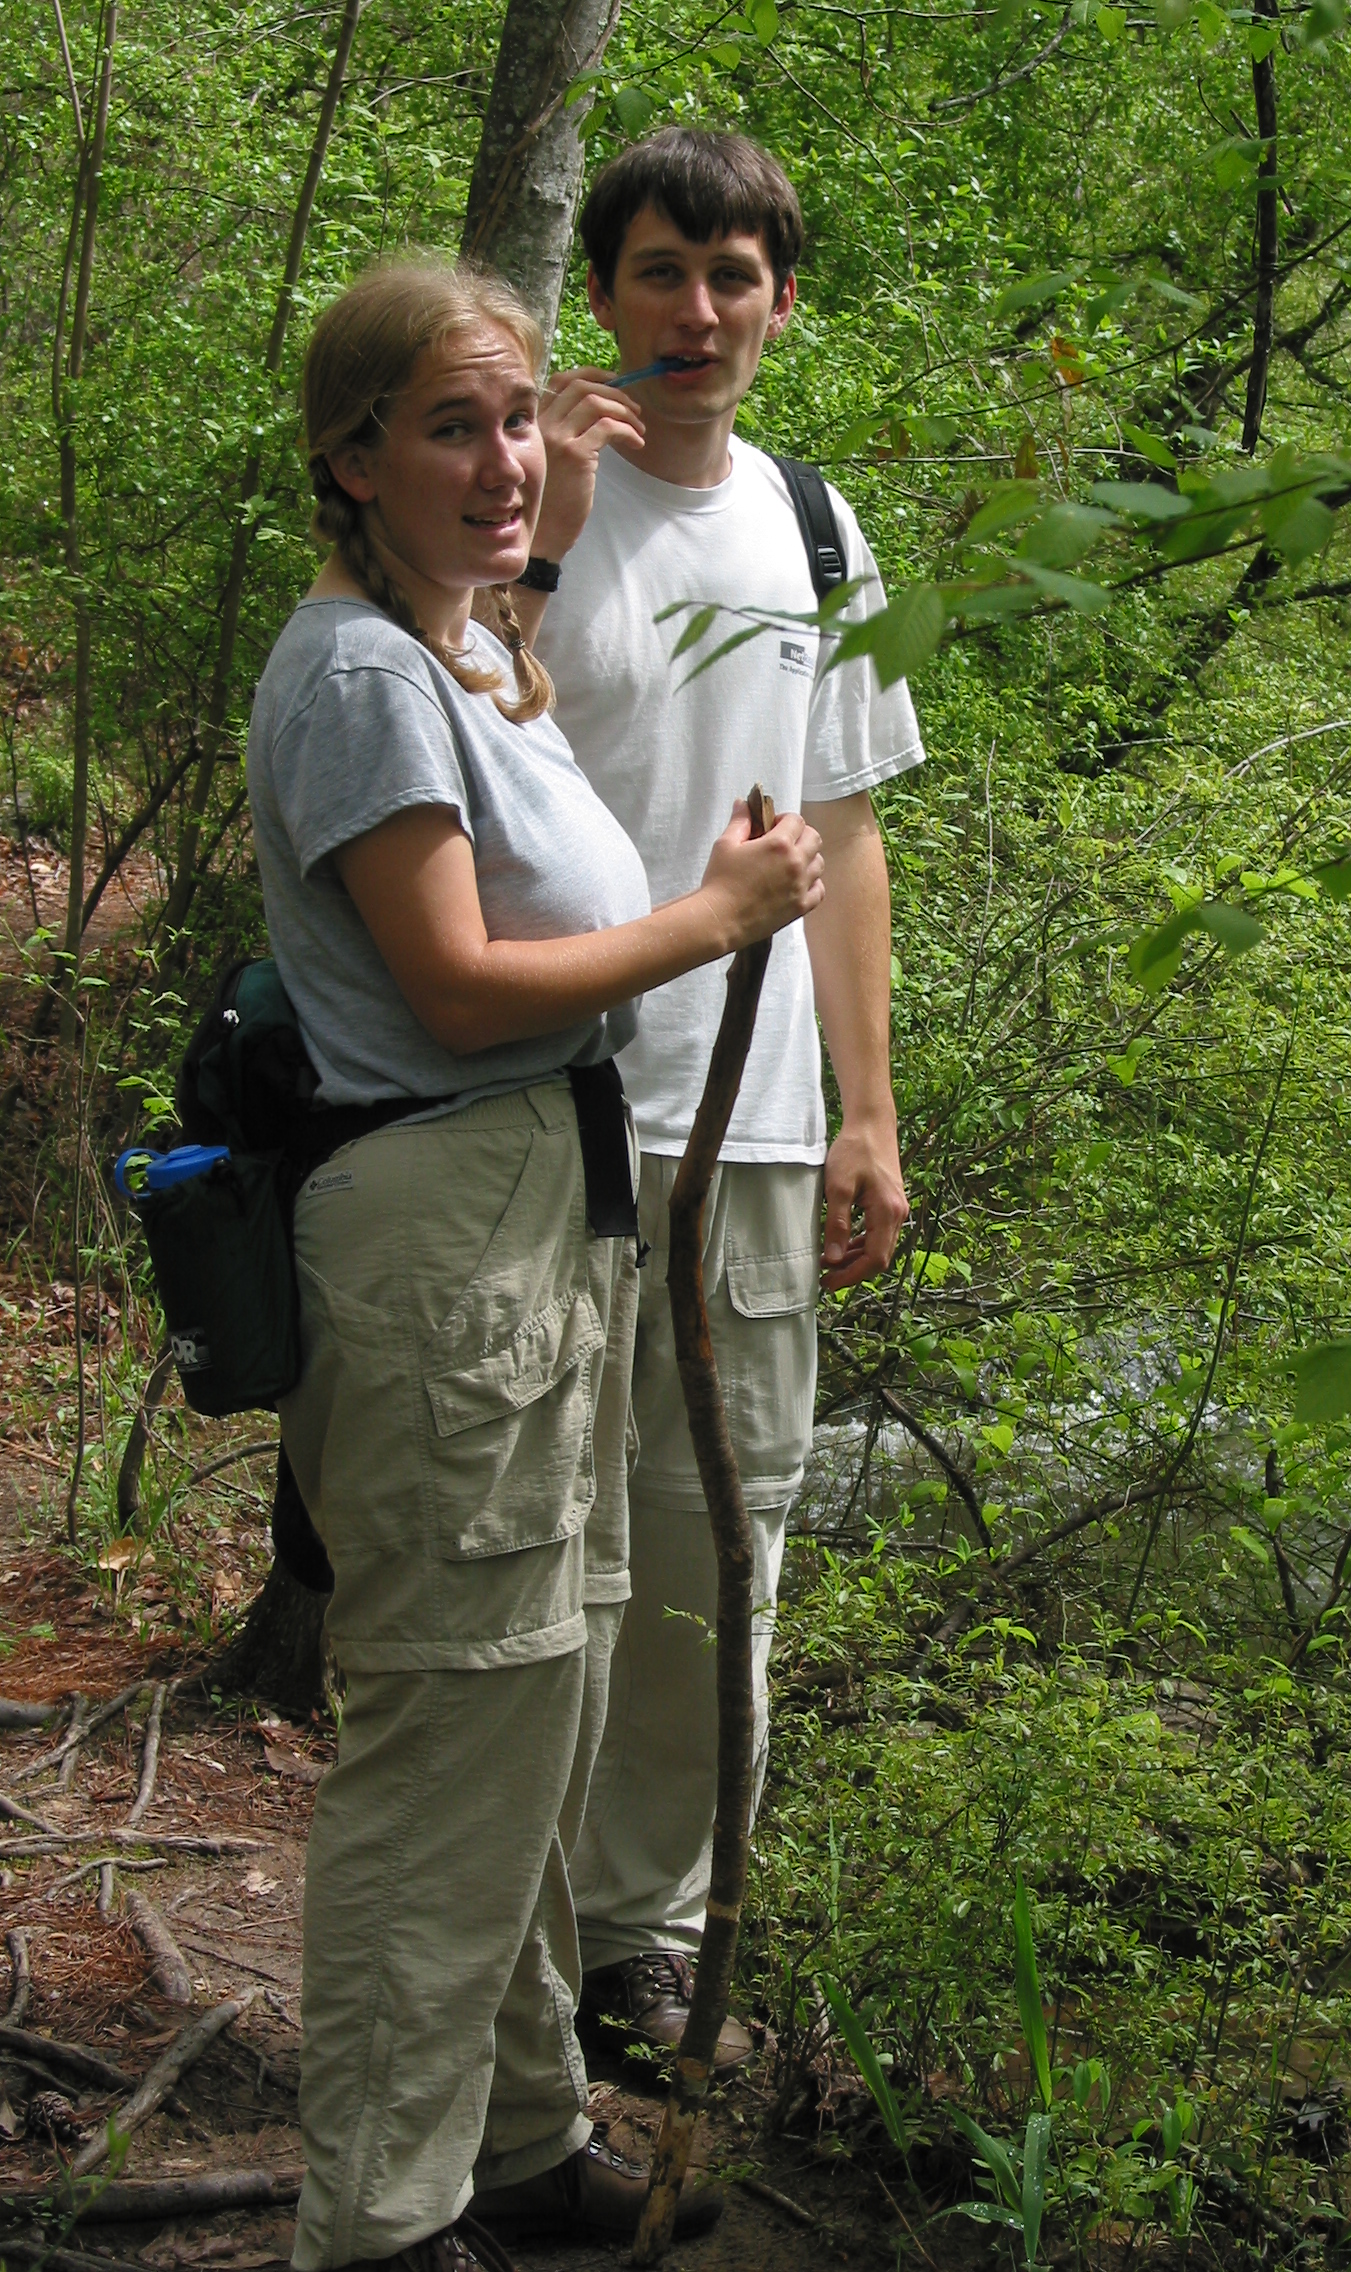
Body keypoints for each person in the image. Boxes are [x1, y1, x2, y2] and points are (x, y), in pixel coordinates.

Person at [246, 257, 823, 2271]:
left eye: (515, 418)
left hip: (540, 1223)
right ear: (351, 457)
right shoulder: (354, 680)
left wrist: (541, 555)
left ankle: (514, 2136)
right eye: (448, 427)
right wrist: (718, 913)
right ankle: (380, 2220)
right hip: (444, 1231)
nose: (502, 463)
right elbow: (462, 983)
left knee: (544, 1701)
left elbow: (534, 631)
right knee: (454, 1722)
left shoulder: (466, 647)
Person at [509, 127, 923, 2071]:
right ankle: (512, 1921)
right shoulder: (522, 501)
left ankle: (646, 1944)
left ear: (779, 301)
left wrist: (869, 1112)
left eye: (733, 275)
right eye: (661, 272)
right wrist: (555, 538)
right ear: (604, 293)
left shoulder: (819, 531)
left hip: (750, 1123)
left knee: (709, 1547)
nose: (696, 313)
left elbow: (844, 827)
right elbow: (454, 738)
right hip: (532, 1104)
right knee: (530, 1539)